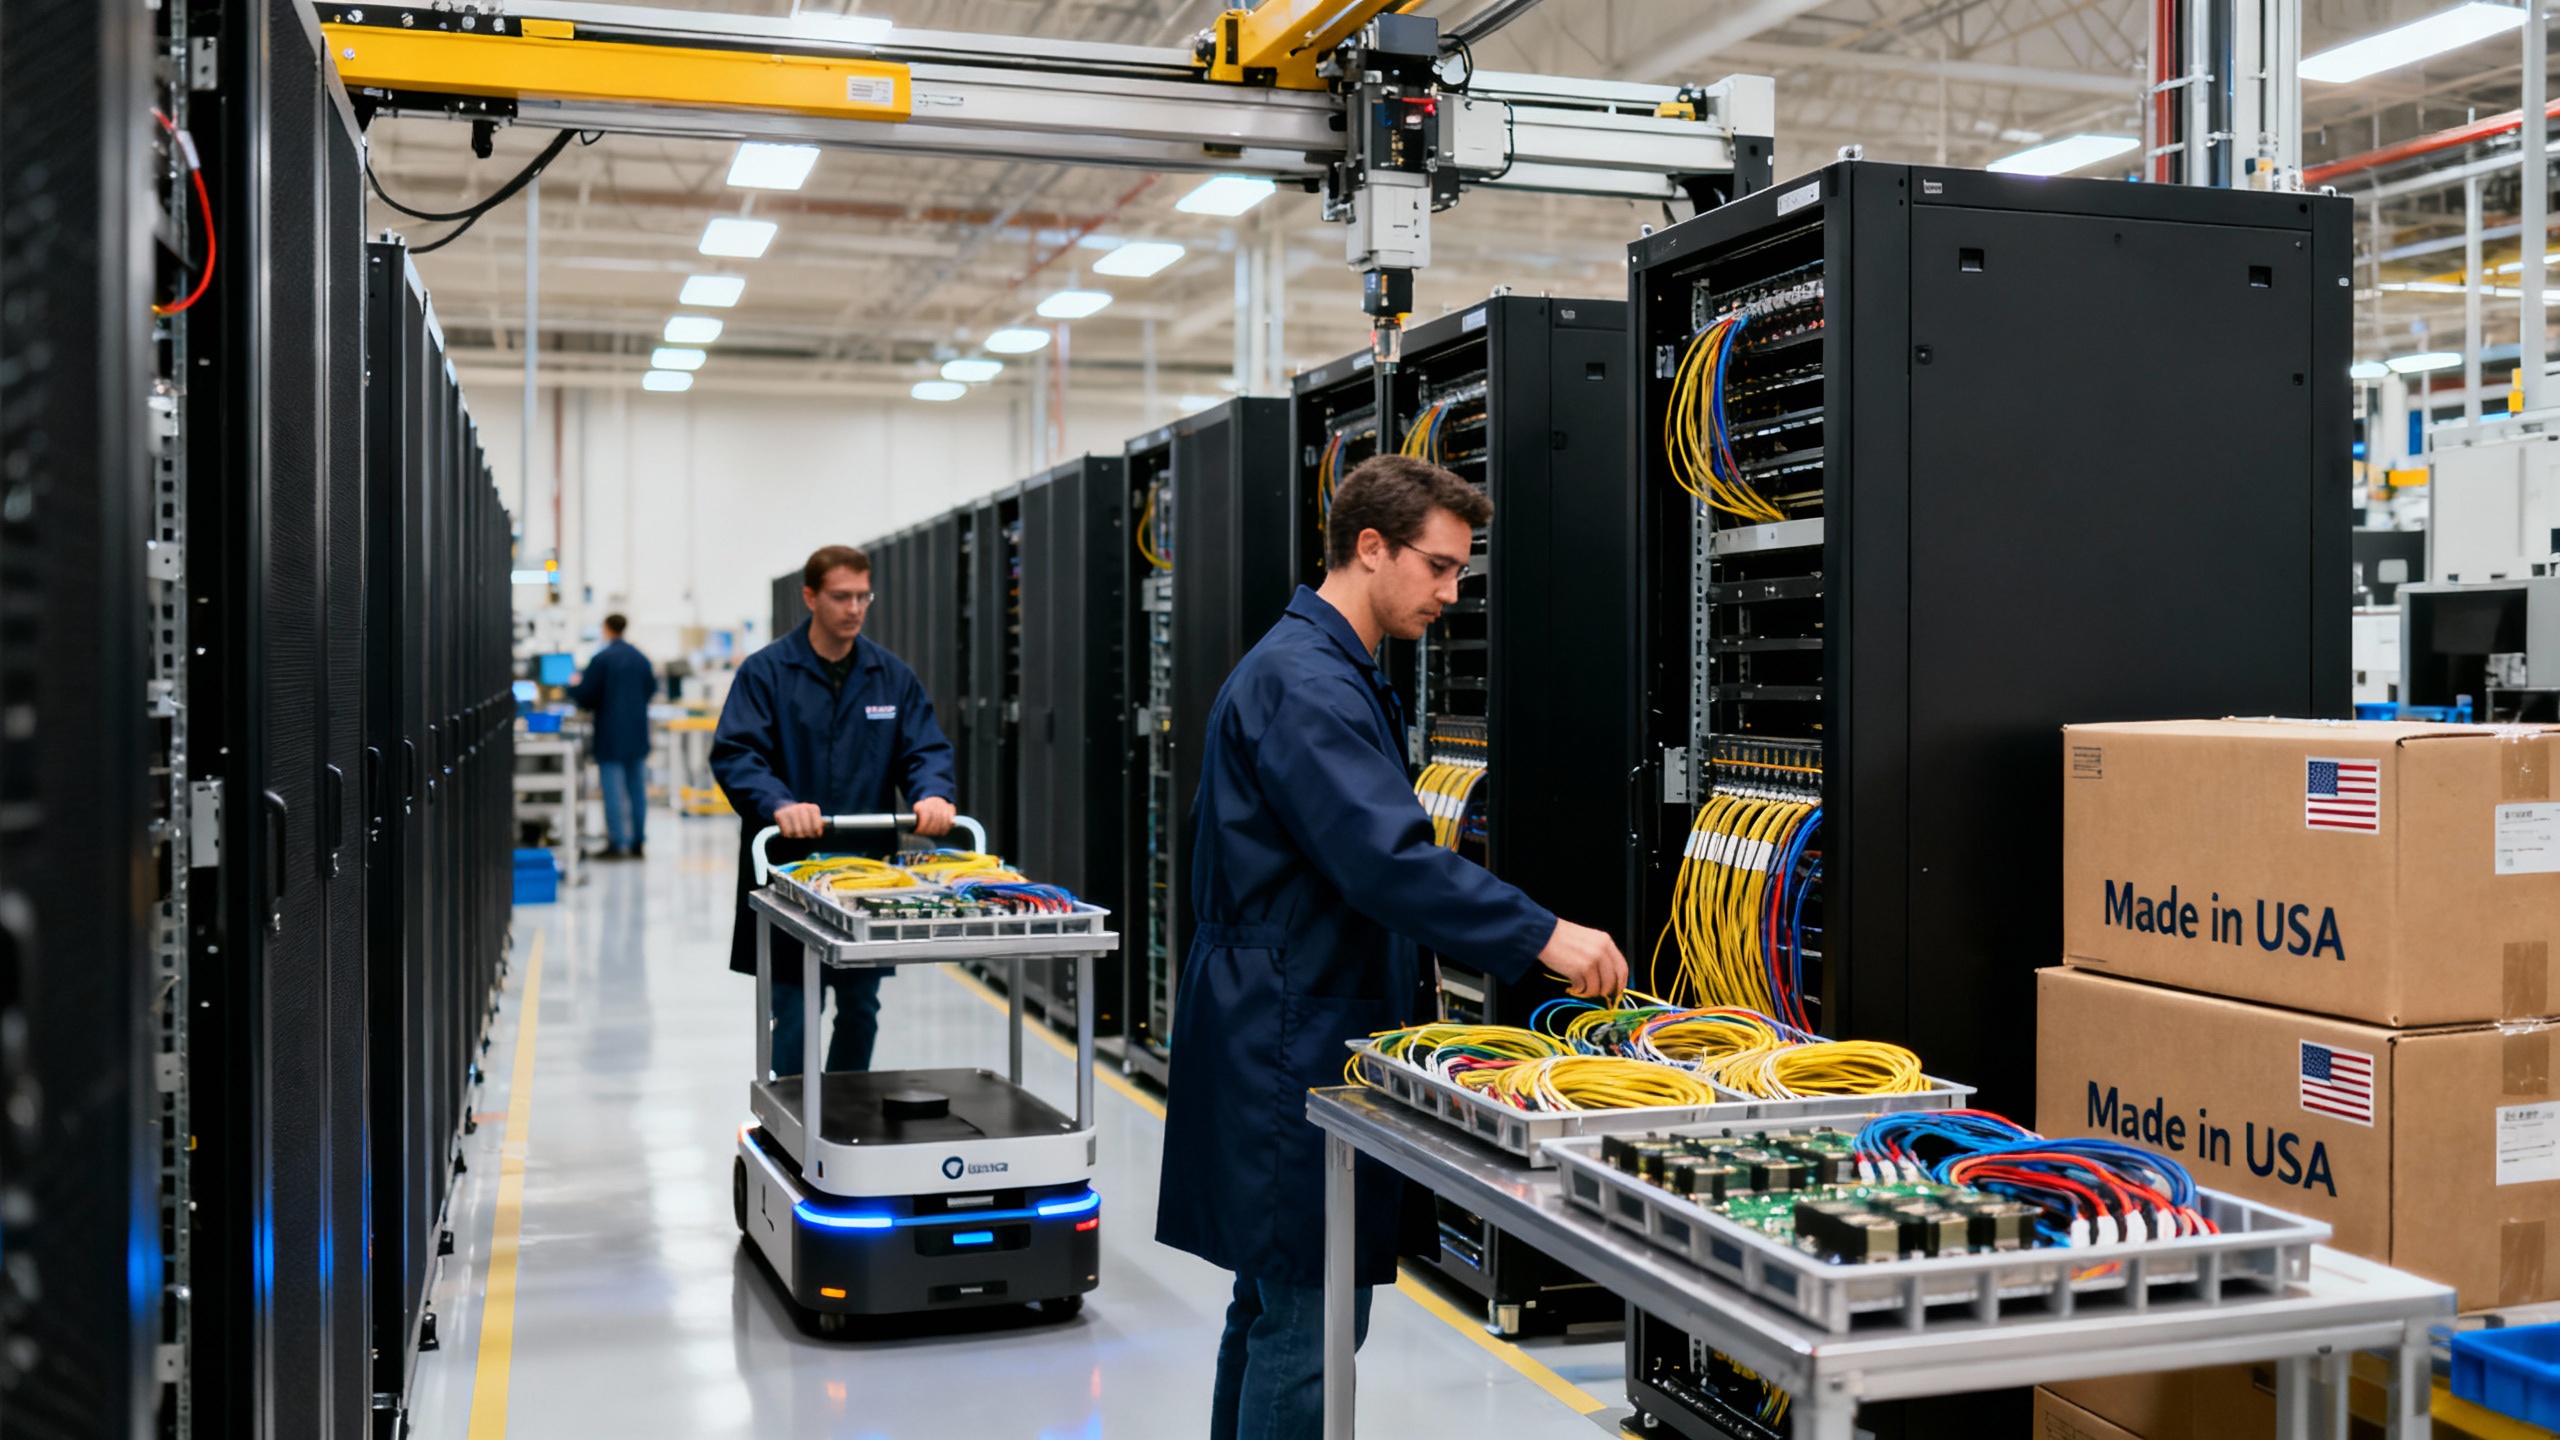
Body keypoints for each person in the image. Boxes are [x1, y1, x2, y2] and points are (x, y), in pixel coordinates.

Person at [1155, 454, 1629, 1440]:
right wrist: (1543, 933)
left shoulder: (1327, 670)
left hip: (1284, 1009)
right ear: (1370, 548)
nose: (1451, 593)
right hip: (1285, 1030)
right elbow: (1386, 862)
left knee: (1272, 1305)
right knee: (1309, 1323)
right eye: (1439, 566)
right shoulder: (1305, 685)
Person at [712, 545, 957, 1075]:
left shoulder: (890, 676)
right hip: (789, 873)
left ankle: (846, 1111)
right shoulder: (767, 673)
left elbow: (924, 750)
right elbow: (737, 754)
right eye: (841, 597)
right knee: (796, 1011)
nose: (854, 608)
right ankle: (794, 1114)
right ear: (810, 597)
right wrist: (778, 803)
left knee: (861, 1007)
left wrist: (932, 793)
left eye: (863, 597)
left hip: (865, 876)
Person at [567, 613, 657, 860]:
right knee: (637, 789)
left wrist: (572, 687)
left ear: (606, 628)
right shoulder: (640, 658)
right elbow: (650, 689)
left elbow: (587, 695)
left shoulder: (602, 659)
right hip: (637, 732)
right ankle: (638, 842)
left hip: (611, 733)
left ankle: (617, 843)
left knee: (613, 790)